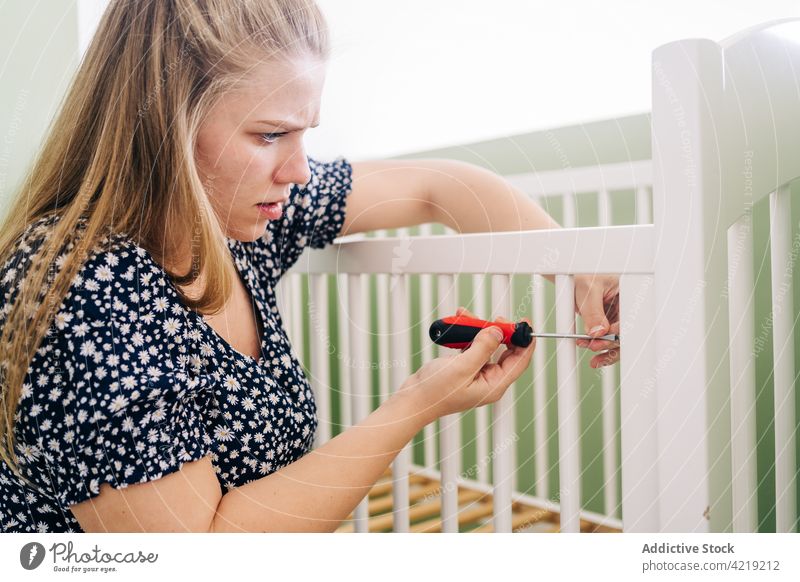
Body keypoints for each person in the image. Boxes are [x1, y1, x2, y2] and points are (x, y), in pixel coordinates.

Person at [0, 0, 619, 533]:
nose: (299, 171)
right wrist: (413, 406)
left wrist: (581, 270)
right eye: (270, 134)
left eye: (305, 134)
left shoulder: (235, 220)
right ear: (164, 122)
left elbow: (442, 186)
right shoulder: (77, 286)